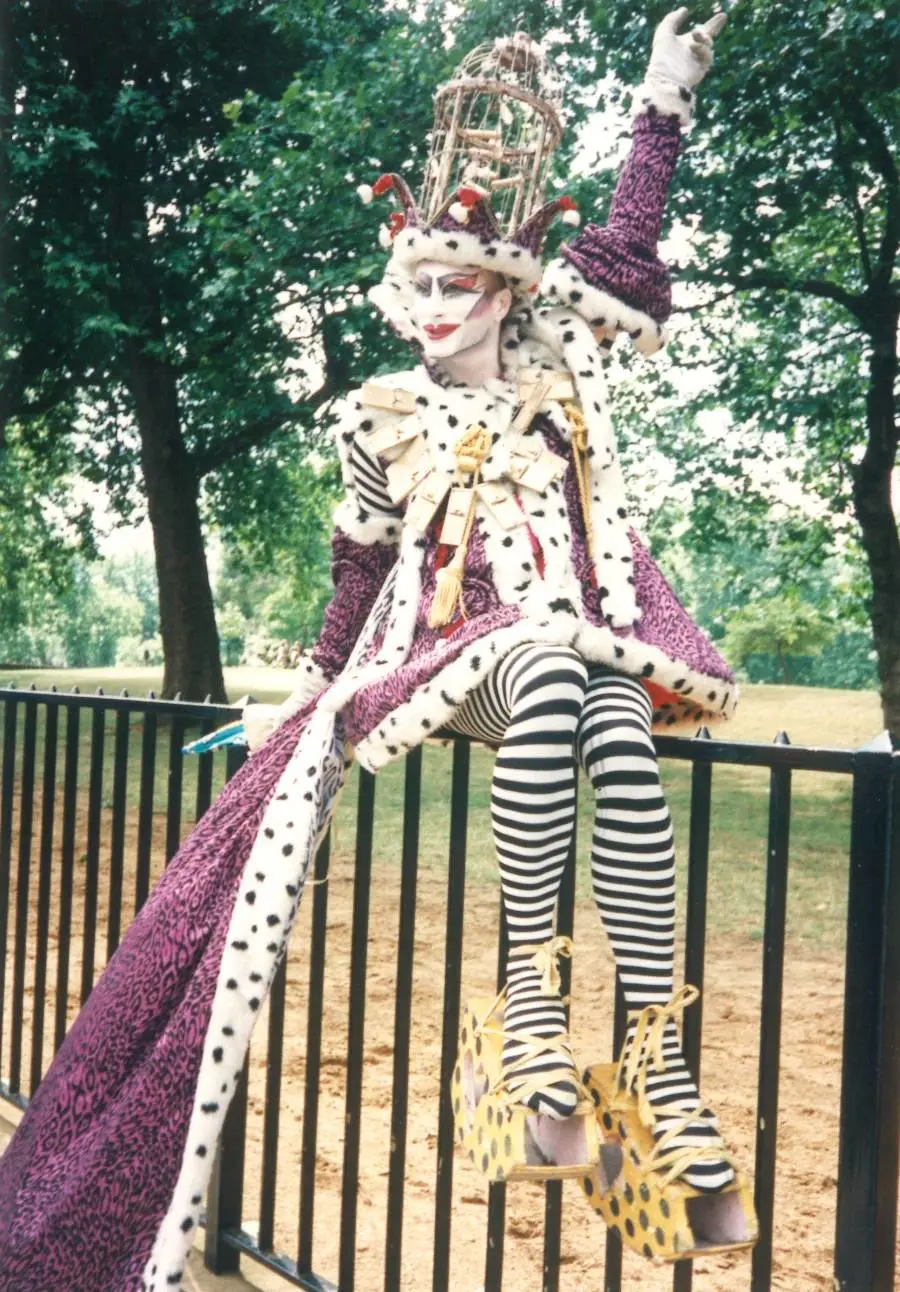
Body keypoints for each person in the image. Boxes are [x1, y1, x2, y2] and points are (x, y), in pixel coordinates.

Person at [0, 12, 753, 1291]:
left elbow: (625, 253)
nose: (426, 311)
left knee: (604, 704)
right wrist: (302, 699)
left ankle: (655, 1081)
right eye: (415, 286)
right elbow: (356, 583)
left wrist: (663, 97)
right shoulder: (381, 416)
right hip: (430, 663)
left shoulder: (562, 368)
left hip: (557, 665)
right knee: (552, 661)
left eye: (454, 286)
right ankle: (526, 1026)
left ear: (511, 287)